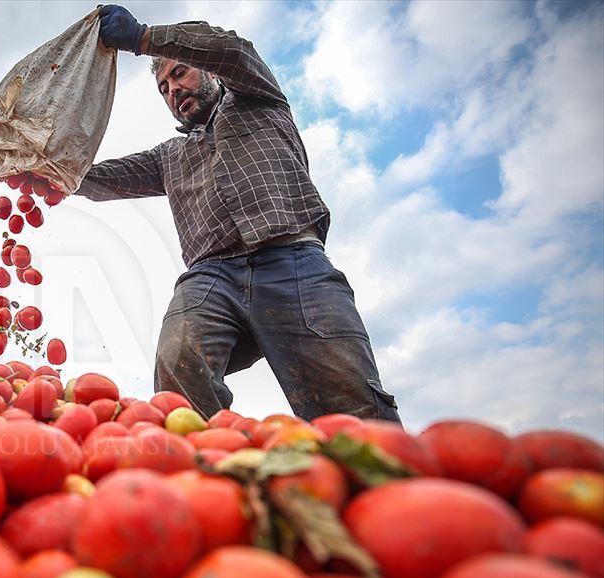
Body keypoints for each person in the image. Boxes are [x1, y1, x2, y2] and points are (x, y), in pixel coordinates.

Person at [74, 5, 401, 424]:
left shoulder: (259, 99)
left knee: (352, 404)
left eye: (180, 74)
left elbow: (231, 51)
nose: (172, 90)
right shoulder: (169, 156)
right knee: (178, 360)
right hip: (211, 277)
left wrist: (144, 38)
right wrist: (50, 175)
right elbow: (102, 178)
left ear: (208, 72)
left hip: (294, 261)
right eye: (163, 88)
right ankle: (205, 466)